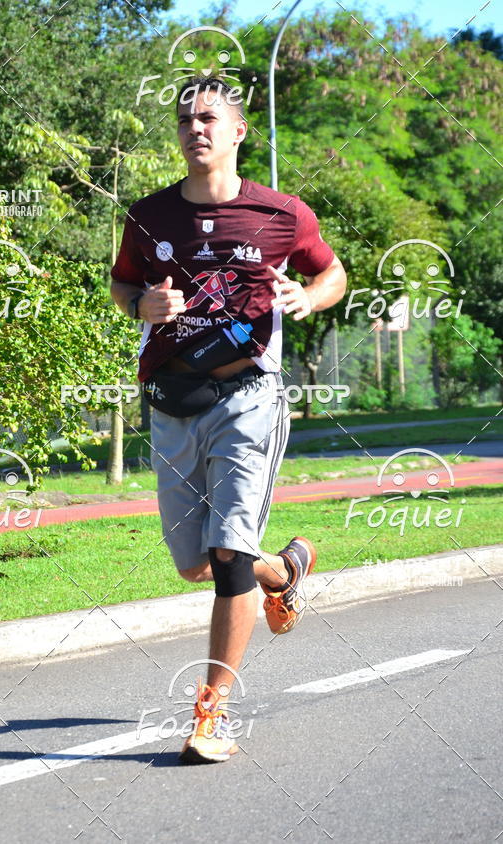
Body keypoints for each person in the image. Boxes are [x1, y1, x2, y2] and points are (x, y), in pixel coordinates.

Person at [110, 76, 347, 764]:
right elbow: (123, 282)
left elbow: (332, 273)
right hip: (173, 401)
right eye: (186, 120)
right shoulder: (149, 216)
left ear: (238, 131)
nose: (196, 129)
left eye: (209, 118)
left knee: (226, 556)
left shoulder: (280, 213)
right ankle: (285, 572)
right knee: (194, 562)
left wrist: (308, 297)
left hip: (248, 397)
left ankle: (210, 713)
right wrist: (139, 307)